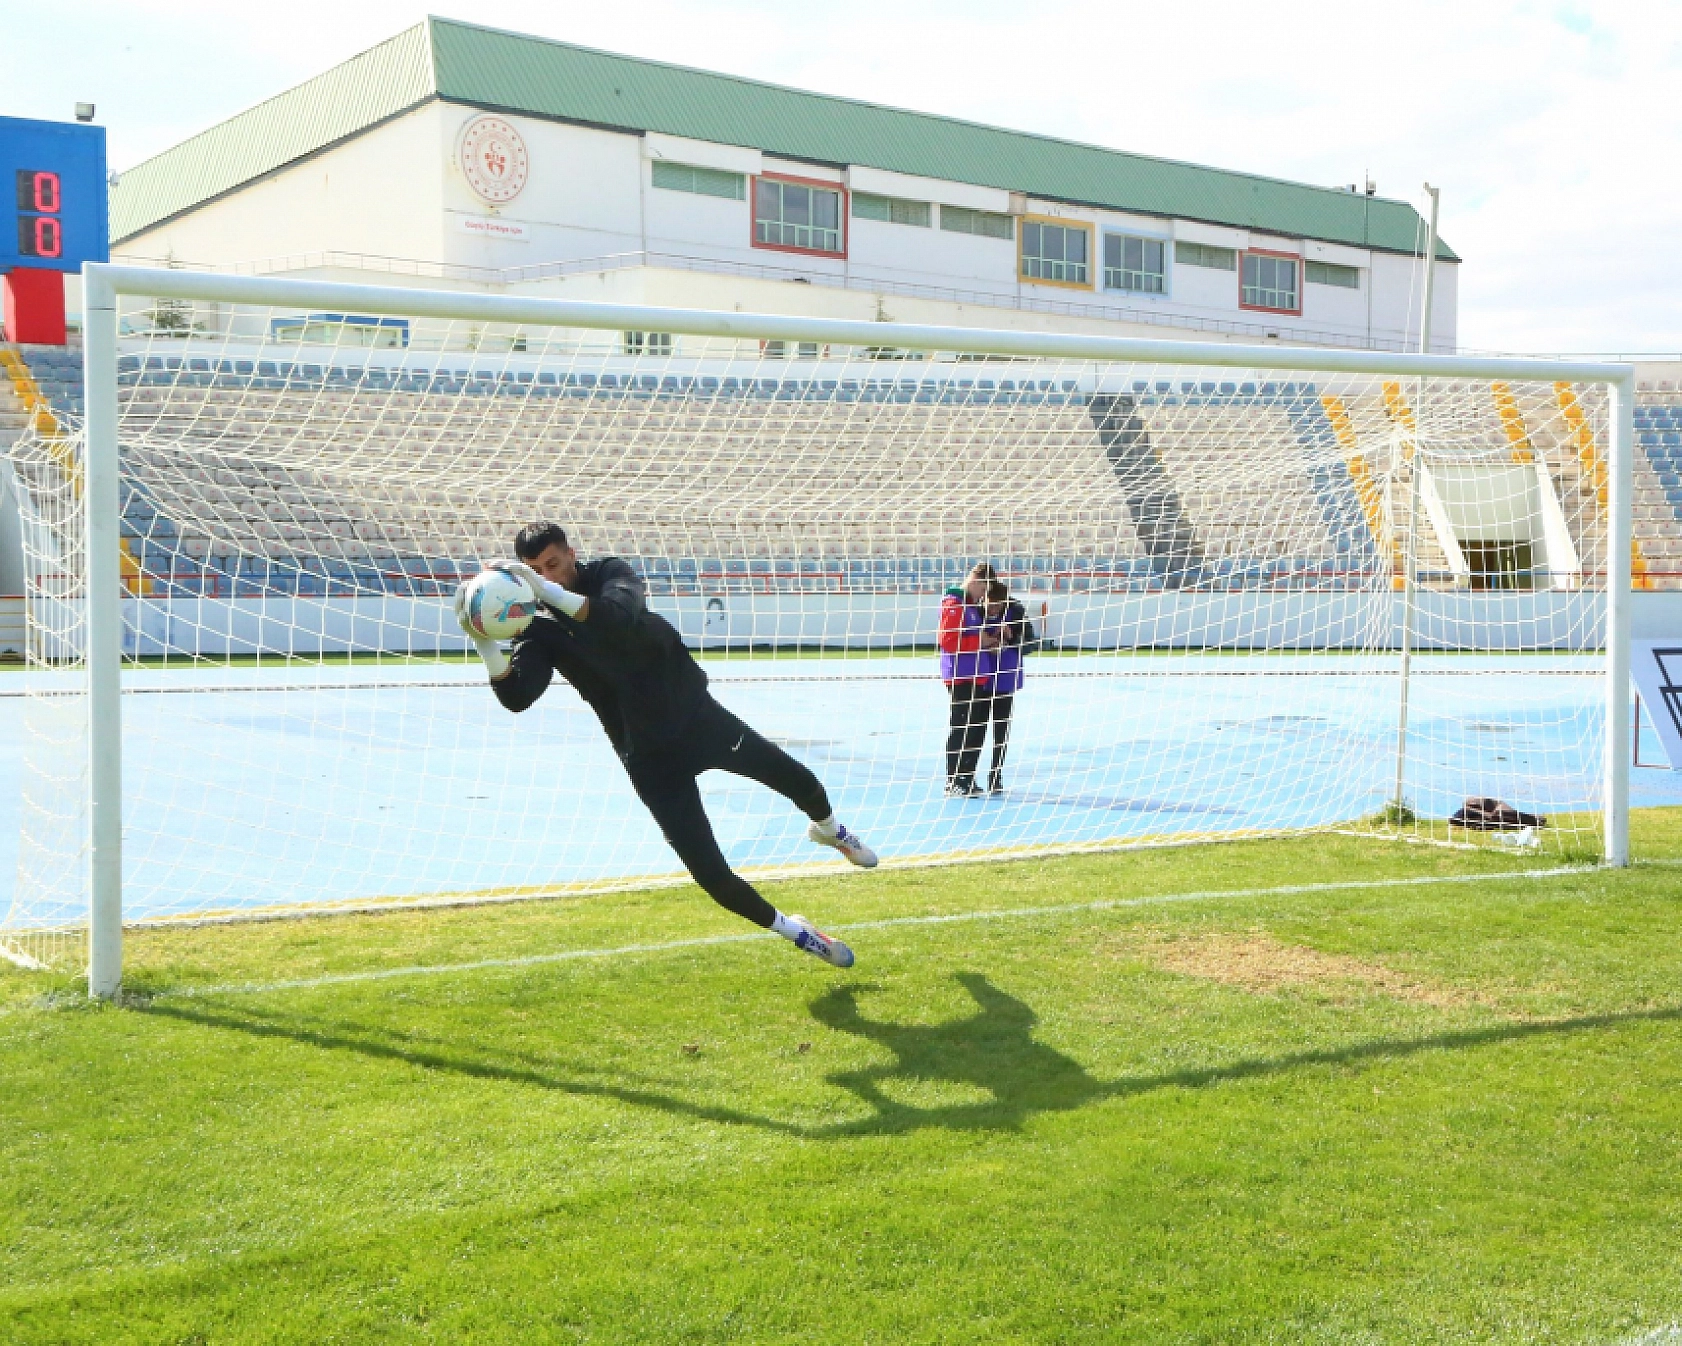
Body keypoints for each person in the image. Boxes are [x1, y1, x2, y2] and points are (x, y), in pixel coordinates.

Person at [455, 522, 877, 968]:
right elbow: (517, 697)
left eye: (553, 565)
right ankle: (800, 933)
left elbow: (616, 616)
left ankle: (829, 831)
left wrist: (545, 590)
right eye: (535, 570)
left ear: (571, 555)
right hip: (648, 757)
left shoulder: (609, 574)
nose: (546, 576)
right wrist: (484, 643)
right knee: (711, 876)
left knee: (796, 780)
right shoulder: (536, 627)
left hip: (698, 720)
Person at [937, 563, 1002, 797]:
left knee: (976, 729)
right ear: (975, 580)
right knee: (961, 727)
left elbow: (972, 638)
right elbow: (948, 641)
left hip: (977, 675)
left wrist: (989, 642)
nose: (983, 595)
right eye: (983, 589)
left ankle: (966, 776)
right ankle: (953, 779)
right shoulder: (954, 604)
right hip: (961, 676)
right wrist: (980, 642)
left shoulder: (971, 606)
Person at [976, 577, 1036, 794]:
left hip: (1005, 678)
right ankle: (968, 775)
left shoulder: (1016, 613)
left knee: (1000, 730)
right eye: (989, 604)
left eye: (997, 605)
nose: (992, 609)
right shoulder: (975, 611)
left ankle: (996, 775)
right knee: (976, 729)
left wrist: (1011, 638)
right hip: (980, 677)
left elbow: (1030, 645)